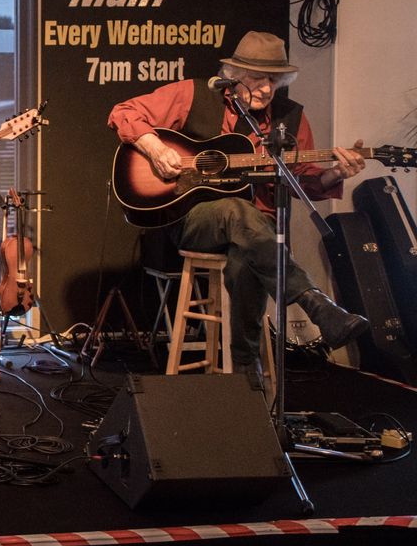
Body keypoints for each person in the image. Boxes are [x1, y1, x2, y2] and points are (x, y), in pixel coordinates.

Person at [108, 30, 370, 373]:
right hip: (194, 221)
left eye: (273, 80)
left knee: (246, 254)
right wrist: (155, 149)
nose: (265, 89)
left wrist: (336, 173)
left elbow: (303, 181)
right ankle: (317, 305)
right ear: (234, 76)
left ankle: (247, 374)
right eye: (257, 79)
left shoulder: (290, 119)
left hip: (256, 235)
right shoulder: (192, 94)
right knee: (237, 210)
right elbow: (123, 112)